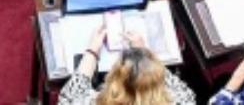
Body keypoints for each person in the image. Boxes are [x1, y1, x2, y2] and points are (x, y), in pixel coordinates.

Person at [57, 30, 197, 105]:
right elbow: (173, 84)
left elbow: (70, 95)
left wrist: (92, 51)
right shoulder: (182, 101)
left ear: (115, 83)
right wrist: (143, 54)